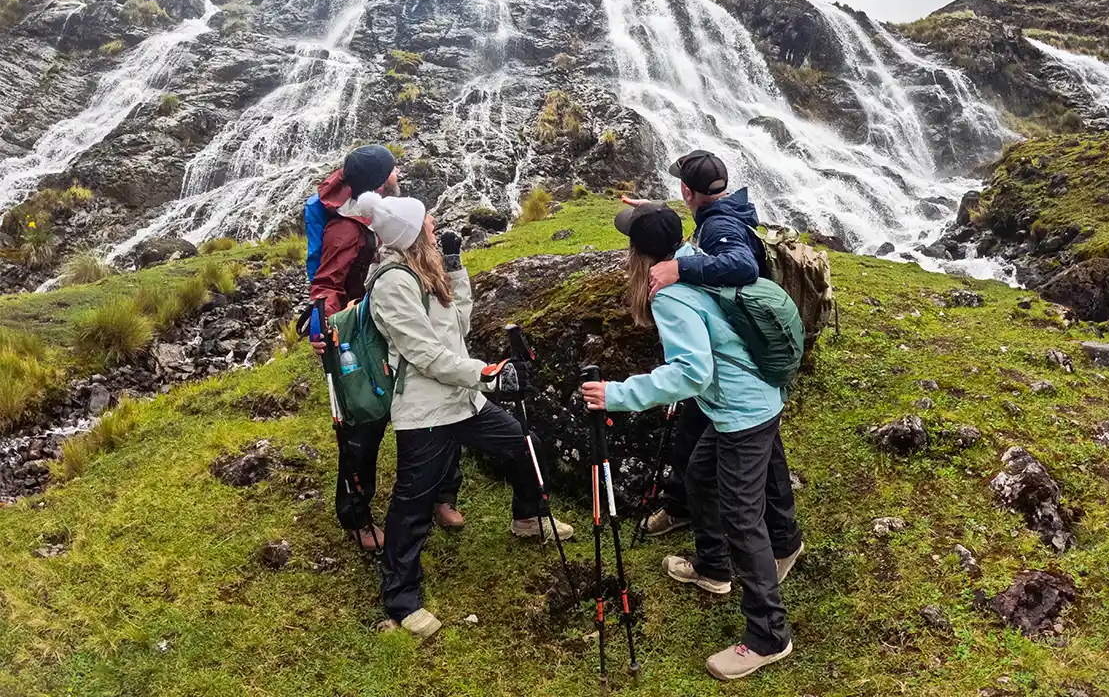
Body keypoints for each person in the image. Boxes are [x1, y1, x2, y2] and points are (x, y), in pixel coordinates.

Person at [582, 201, 802, 681]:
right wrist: (652, 214)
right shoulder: (691, 260)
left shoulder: (668, 295)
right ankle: (713, 568)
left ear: (639, 253)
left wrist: (616, 394)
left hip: (743, 413)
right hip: (750, 399)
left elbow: (692, 373)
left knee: (743, 519)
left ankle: (769, 635)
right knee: (700, 476)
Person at [353, 190, 574, 639]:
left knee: (524, 446)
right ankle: (401, 601)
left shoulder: (424, 269)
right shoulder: (393, 283)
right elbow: (425, 355)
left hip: (463, 400)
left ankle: (528, 518)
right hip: (426, 410)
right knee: (413, 504)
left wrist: (455, 269)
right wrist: (488, 374)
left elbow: (459, 327)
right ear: (411, 233)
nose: (434, 224)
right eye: (427, 221)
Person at [624, 150, 796, 557]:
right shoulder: (725, 212)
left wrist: (679, 270)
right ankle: (773, 536)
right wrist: (653, 216)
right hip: (742, 354)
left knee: (713, 453)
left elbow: (741, 265)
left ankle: (736, 548)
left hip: (735, 363)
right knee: (754, 446)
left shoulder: (718, 225)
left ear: (688, 191)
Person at [309, 144, 464, 552]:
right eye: (393, 169)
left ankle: (442, 494)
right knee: (365, 424)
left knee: (437, 405)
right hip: (365, 336)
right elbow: (326, 283)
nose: (399, 174)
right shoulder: (346, 229)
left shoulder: (391, 210)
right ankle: (357, 517)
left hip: (406, 319)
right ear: (380, 181)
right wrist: (325, 329)